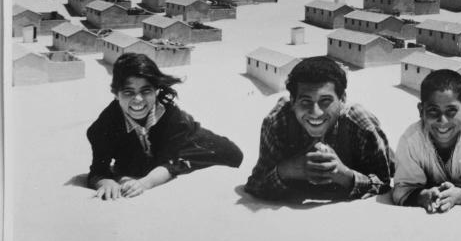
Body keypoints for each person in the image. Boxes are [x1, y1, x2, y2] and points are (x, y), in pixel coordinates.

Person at [86, 53, 243, 200]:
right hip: (146, 153)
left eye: (146, 91)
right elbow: (97, 171)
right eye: (128, 92)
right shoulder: (103, 127)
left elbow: (169, 163)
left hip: (187, 141)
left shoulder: (173, 118)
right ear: (115, 94)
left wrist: (144, 183)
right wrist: (106, 182)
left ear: (157, 91)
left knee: (233, 154)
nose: (138, 99)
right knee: (135, 167)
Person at [244, 56, 394, 201]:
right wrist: (287, 170)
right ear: (292, 101)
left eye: (325, 101)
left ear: (342, 99)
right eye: (305, 101)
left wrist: (344, 175)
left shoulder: (361, 124)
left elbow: (384, 184)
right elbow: (256, 183)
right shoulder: (278, 121)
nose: (316, 112)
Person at [392, 69, 461, 213]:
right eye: (433, 110)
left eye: (451, 110)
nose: (442, 120)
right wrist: (422, 196)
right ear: (421, 110)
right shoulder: (411, 140)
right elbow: (401, 190)